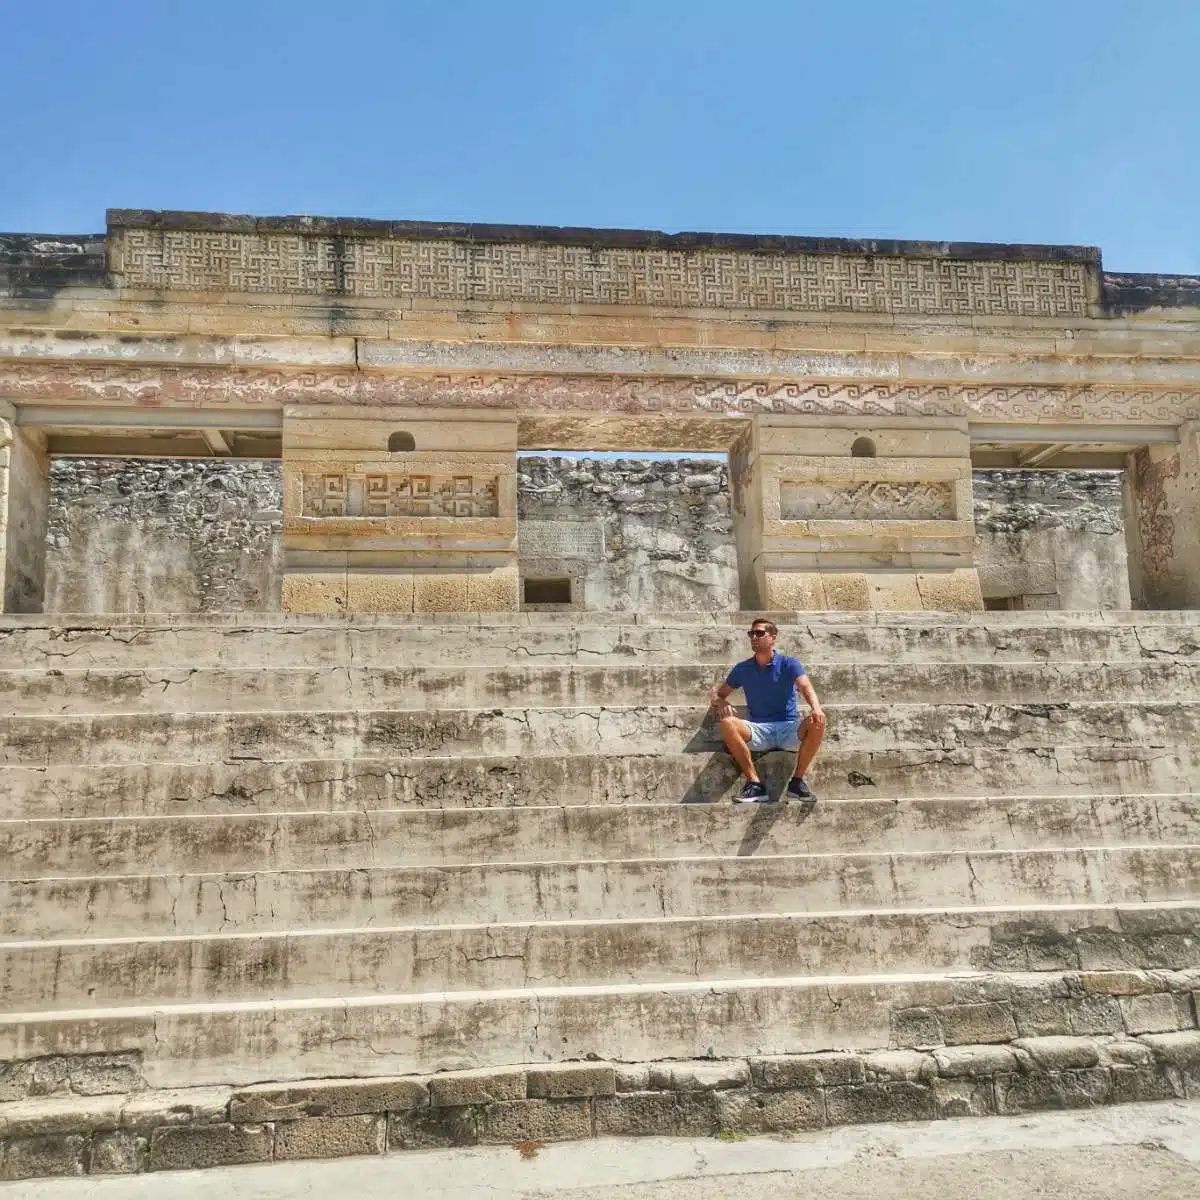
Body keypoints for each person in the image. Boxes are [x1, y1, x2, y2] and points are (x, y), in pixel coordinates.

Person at [709, 618, 826, 803]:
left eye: (759, 633)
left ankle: (797, 782)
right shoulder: (743, 668)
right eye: (751, 633)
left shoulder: (789, 663)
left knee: (818, 721)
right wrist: (721, 702)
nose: (754, 637)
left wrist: (816, 708)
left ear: (772, 638)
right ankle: (754, 784)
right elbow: (718, 695)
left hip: (788, 729)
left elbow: (805, 687)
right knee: (727, 723)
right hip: (758, 730)